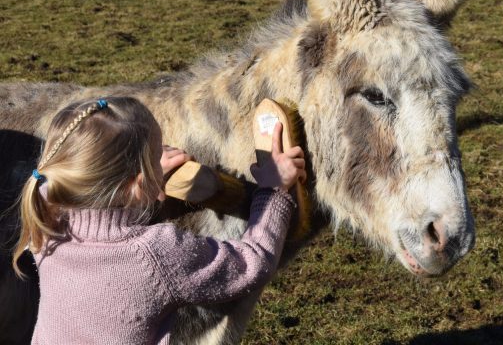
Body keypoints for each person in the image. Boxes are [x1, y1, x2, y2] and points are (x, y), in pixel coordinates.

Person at [11, 96, 305, 344]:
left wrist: (145, 176)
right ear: (140, 183)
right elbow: (251, 264)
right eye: (156, 154)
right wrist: (274, 189)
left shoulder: (45, 212)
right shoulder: (156, 253)